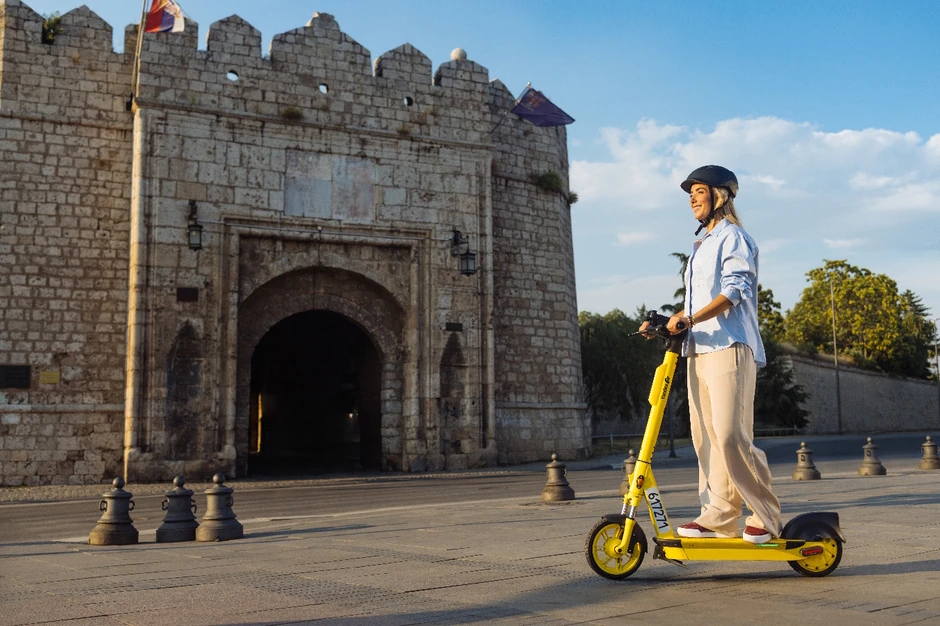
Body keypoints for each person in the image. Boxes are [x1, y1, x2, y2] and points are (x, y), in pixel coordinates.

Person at [643, 165, 781, 544]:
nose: (692, 197)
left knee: (730, 435)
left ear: (719, 195)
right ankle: (719, 514)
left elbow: (735, 290)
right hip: (698, 349)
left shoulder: (733, 238)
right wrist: (662, 322)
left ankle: (765, 513)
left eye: (699, 190)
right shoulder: (702, 244)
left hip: (729, 344)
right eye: (690, 192)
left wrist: (688, 317)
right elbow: (694, 303)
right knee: (704, 436)